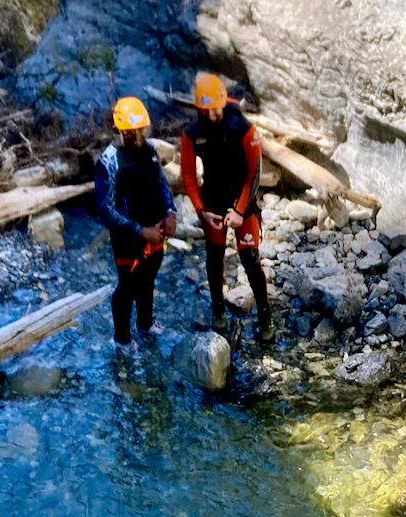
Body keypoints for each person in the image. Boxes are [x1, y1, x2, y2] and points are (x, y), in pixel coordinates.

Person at [180, 74, 275, 343]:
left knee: (250, 259)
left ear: (223, 103)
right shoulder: (191, 134)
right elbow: (188, 176)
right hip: (212, 200)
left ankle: (264, 314)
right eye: (206, 110)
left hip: (242, 200)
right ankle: (218, 308)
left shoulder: (243, 128)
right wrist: (201, 211)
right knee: (214, 256)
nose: (211, 114)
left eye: (216, 108)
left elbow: (254, 174)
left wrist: (240, 210)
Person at [96, 96, 177, 347]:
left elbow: (161, 184)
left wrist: (171, 212)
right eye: (131, 134)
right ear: (120, 131)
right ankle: (122, 340)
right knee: (127, 286)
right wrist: (140, 231)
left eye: (140, 131)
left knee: (149, 277)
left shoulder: (151, 150)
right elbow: (104, 209)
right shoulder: (109, 161)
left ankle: (145, 323)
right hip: (129, 237)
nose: (138, 138)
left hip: (156, 230)